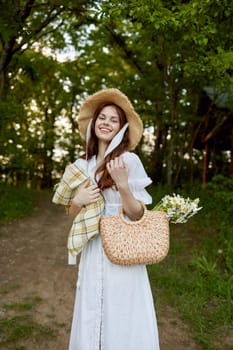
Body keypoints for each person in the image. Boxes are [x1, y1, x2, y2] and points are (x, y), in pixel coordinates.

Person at [55, 88, 160, 350]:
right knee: (93, 308)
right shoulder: (83, 165)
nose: (106, 123)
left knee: (123, 310)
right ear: (94, 123)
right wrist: (78, 200)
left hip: (123, 247)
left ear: (122, 128)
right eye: (102, 117)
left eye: (114, 120)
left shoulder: (129, 161)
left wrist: (123, 185)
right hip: (93, 248)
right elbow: (73, 216)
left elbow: (138, 214)